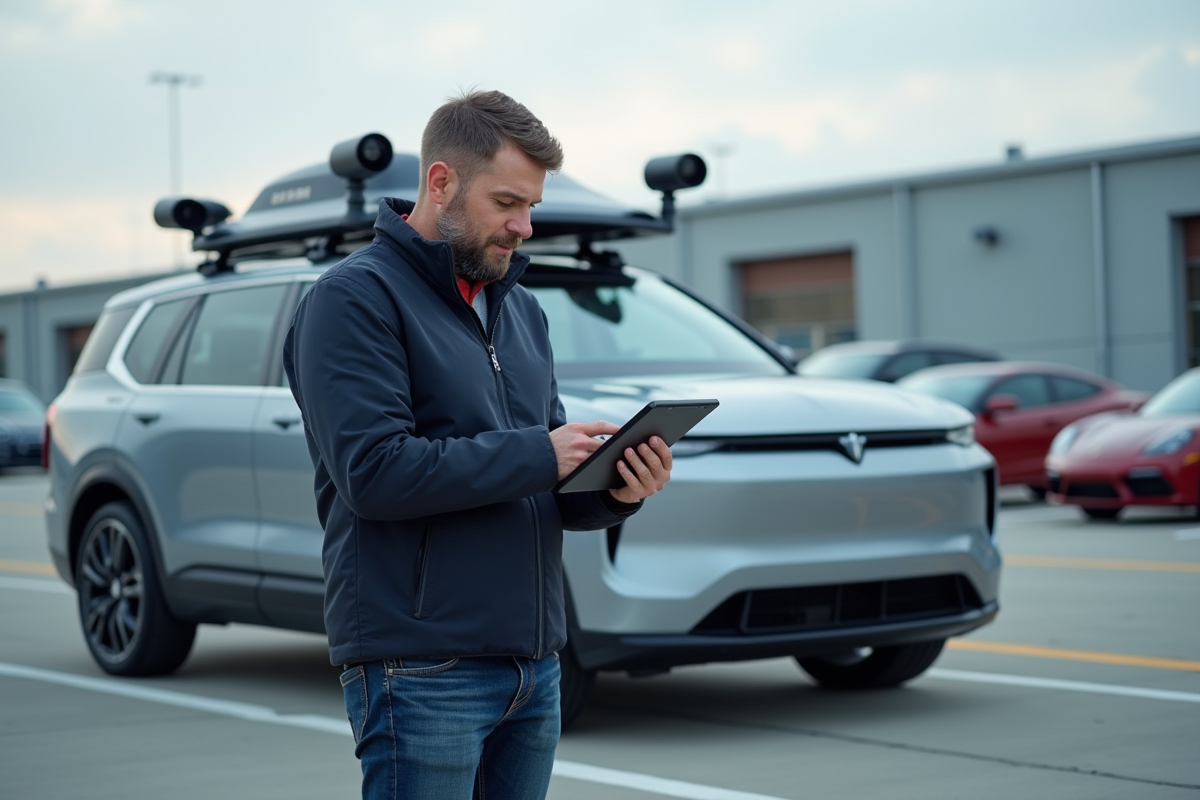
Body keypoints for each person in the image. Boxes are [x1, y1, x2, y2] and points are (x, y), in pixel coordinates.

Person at [282, 90, 673, 800]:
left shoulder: (520, 309)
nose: (524, 226)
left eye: (532, 206)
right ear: (441, 182)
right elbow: (374, 473)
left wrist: (617, 489)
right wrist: (541, 453)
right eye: (506, 203)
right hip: (421, 666)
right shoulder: (352, 300)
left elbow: (544, 485)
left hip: (536, 664)